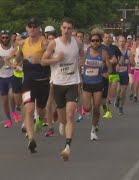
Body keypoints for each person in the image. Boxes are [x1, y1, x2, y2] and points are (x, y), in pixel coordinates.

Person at [41, 17, 84, 161]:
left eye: (69, 28)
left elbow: (82, 55)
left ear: (73, 30)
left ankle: (67, 146)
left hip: (72, 82)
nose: (66, 31)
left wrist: (80, 65)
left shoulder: (77, 43)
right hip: (58, 83)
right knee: (63, 117)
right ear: (61, 28)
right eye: (64, 28)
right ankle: (62, 123)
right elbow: (43, 61)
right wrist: (56, 60)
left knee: (71, 114)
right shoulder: (54, 43)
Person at [6, 17, 50, 153]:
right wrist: (14, 64)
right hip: (28, 82)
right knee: (29, 109)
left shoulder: (45, 43)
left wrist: (40, 60)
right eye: (29, 26)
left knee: (41, 110)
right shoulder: (23, 44)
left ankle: (40, 119)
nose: (32, 29)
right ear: (26, 28)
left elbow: (53, 61)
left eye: (34, 26)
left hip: (43, 82)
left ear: (38, 28)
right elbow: (13, 58)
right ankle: (31, 139)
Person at [81, 28, 111, 140]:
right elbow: (79, 65)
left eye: (97, 40)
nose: (95, 42)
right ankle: (91, 117)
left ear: (100, 41)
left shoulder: (103, 53)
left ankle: (93, 129)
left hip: (98, 83)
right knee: (87, 108)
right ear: (90, 42)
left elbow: (110, 68)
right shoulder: (86, 52)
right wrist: (80, 77)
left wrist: (106, 74)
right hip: (87, 83)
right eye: (93, 40)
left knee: (97, 107)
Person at [0, 30, 20, 128]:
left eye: (6, 37)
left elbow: (20, 57)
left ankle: (13, 111)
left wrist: (16, 64)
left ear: (9, 37)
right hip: (1, 77)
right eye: (3, 37)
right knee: (4, 101)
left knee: (11, 95)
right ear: (0, 38)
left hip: (12, 75)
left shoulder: (14, 47)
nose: (5, 39)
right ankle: (8, 119)